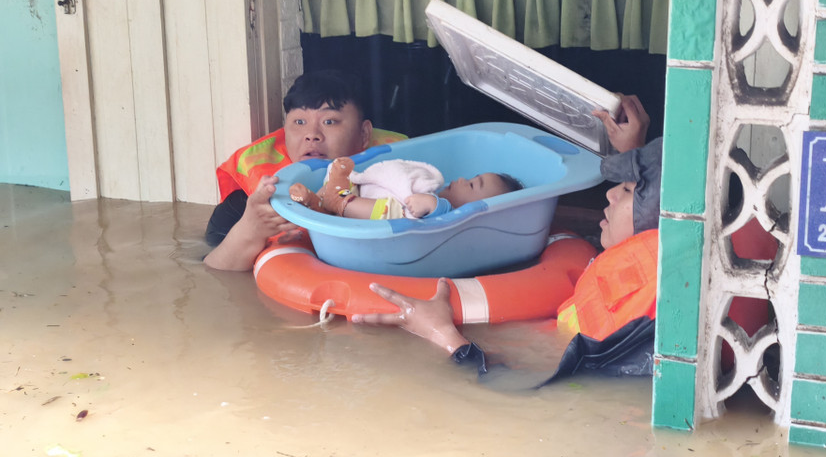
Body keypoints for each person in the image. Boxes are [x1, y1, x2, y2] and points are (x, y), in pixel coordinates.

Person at [352, 100, 662, 382]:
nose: (609, 193)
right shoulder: (647, 262)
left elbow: (513, 384)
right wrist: (634, 151)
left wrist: (441, 333)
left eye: (627, 190)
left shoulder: (639, 295)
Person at [203, 70, 404, 271]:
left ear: (364, 133)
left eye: (329, 121)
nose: (311, 135)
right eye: (299, 122)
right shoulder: (252, 201)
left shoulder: (396, 174)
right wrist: (251, 228)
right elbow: (212, 272)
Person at [288, 156, 523, 219]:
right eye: (471, 177)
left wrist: (432, 205)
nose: (462, 179)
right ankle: (319, 203)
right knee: (343, 180)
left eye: (472, 185)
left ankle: (338, 202)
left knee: (396, 212)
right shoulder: (430, 185)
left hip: (357, 209)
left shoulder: (448, 211)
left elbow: (440, 218)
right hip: (358, 195)